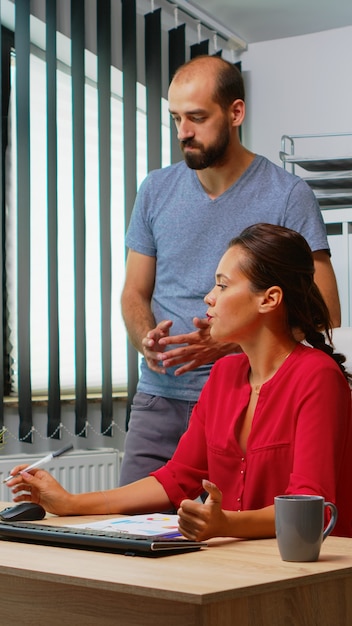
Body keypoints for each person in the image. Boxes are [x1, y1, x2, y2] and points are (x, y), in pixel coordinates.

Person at [7, 224, 352, 539]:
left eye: (223, 284)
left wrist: (225, 524)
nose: (209, 297)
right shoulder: (224, 375)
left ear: (270, 299)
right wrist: (70, 503)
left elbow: (312, 508)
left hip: (308, 573)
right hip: (234, 563)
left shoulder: (317, 377)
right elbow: (177, 478)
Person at [119, 54, 341, 486]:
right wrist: (147, 342)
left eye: (197, 118)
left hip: (249, 398)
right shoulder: (155, 190)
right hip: (158, 400)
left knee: (233, 537)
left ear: (235, 112)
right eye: (176, 118)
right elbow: (133, 293)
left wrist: (225, 345)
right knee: (128, 535)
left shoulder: (288, 195)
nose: (183, 132)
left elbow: (326, 312)